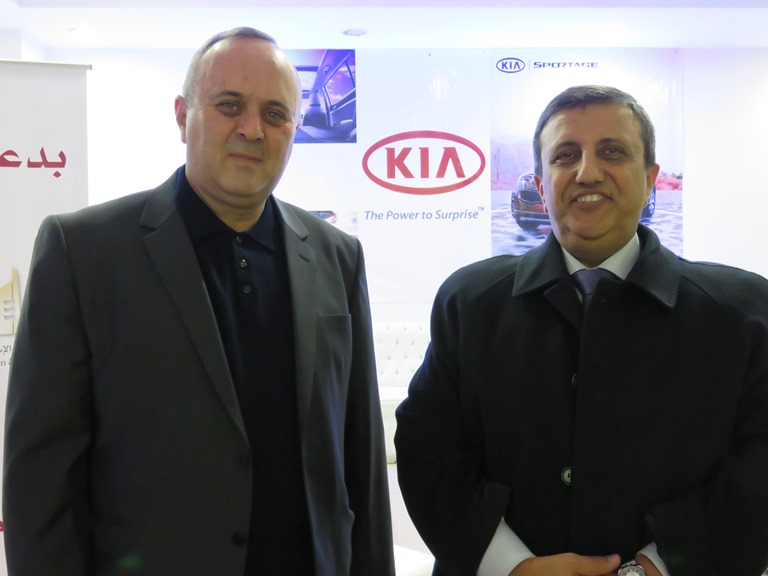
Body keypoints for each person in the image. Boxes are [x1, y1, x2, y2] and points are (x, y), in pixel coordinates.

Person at [3, 27, 395, 576]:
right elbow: (40, 477)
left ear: (295, 129)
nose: (252, 129)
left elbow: (360, 459)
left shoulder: (337, 257)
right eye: (230, 105)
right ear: (182, 115)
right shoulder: (84, 252)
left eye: (275, 114)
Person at [395, 85, 768, 576]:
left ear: (650, 178)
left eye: (612, 152)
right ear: (540, 182)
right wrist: (513, 567)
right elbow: (428, 448)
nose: (587, 172)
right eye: (565, 155)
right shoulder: (469, 303)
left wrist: (656, 568)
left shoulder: (742, 314)